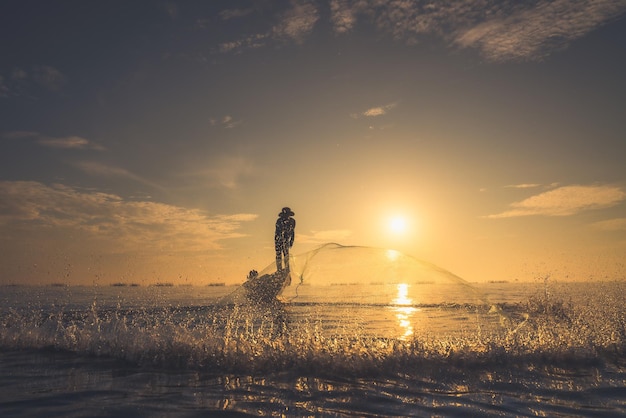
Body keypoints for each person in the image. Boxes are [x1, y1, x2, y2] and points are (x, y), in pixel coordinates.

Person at [275, 207, 295, 272]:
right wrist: (280, 240)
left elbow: (292, 231)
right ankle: (279, 270)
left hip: (286, 239)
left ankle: (287, 269)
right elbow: (278, 231)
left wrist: (291, 240)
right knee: (278, 255)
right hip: (278, 239)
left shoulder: (292, 221)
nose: (286, 217)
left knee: (286, 254)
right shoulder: (279, 221)